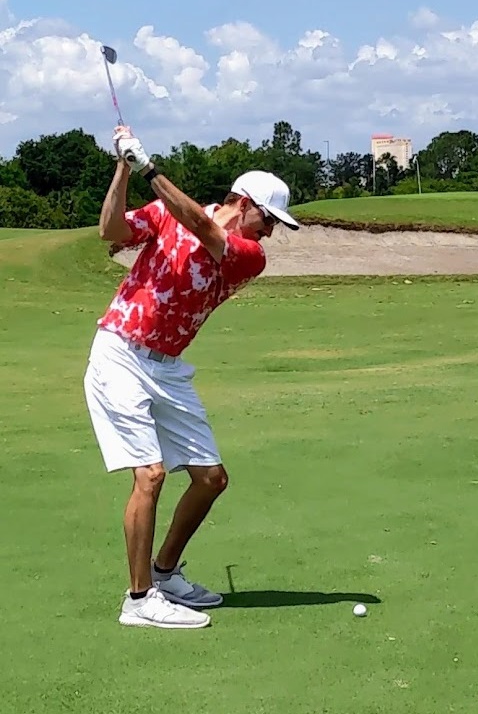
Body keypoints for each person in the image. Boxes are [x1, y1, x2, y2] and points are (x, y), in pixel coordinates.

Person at [83, 125, 299, 629]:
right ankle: (138, 601)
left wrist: (149, 168)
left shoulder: (249, 255)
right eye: (268, 219)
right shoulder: (165, 213)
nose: (270, 232)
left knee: (211, 478)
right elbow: (111, 231)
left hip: (168, 369)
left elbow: (202, 226)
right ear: (241, 202)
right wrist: (123, 167)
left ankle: (164, 573)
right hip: (119, 352)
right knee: (151, 475)